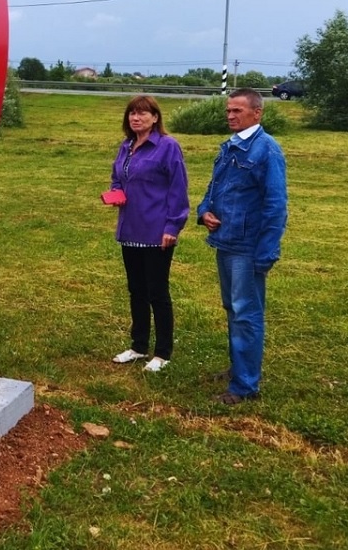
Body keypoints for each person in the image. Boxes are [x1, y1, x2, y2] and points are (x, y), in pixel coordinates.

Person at [196, 88, 287, 404]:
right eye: (228, 111)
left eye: (237, 111)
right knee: (233, 309)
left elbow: (276, 205)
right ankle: (240, 367)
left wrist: (267, 252)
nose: (231, 116)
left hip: (248, 248)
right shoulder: (230, 147)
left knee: (246, 313)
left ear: (257, 113)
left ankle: (245, 386)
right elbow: (214, 187)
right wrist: (204, 211)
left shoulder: (266, 150)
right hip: (226, 242)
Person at [105, 95, 190, 373]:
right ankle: (139, 346)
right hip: (130, 228)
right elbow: (118, 176)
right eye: (132, 113)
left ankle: (162, 352)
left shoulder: (168, 147)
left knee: (157, 292)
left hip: (156, 231)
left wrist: (172, 226)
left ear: (155, 117)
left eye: (143, 113)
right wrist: (116, 192)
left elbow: (178, 189)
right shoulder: (127, 146)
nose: (136, 117)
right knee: (136, 290)